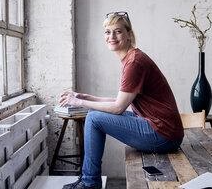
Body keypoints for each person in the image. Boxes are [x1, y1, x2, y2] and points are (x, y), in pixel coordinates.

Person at [59, 11, 184, 189]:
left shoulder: (134, 63)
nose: (111, 36)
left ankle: (89, 183)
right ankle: (88, 179)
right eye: (107, 32)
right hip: (160, 129)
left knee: (94, 118)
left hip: (163, 134)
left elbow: (118, 108)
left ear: (129, 34)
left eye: (117, 31)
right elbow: (122, 100)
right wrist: (87, 97)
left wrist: (78, 102)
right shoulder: (132, 58)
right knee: (95, 112)